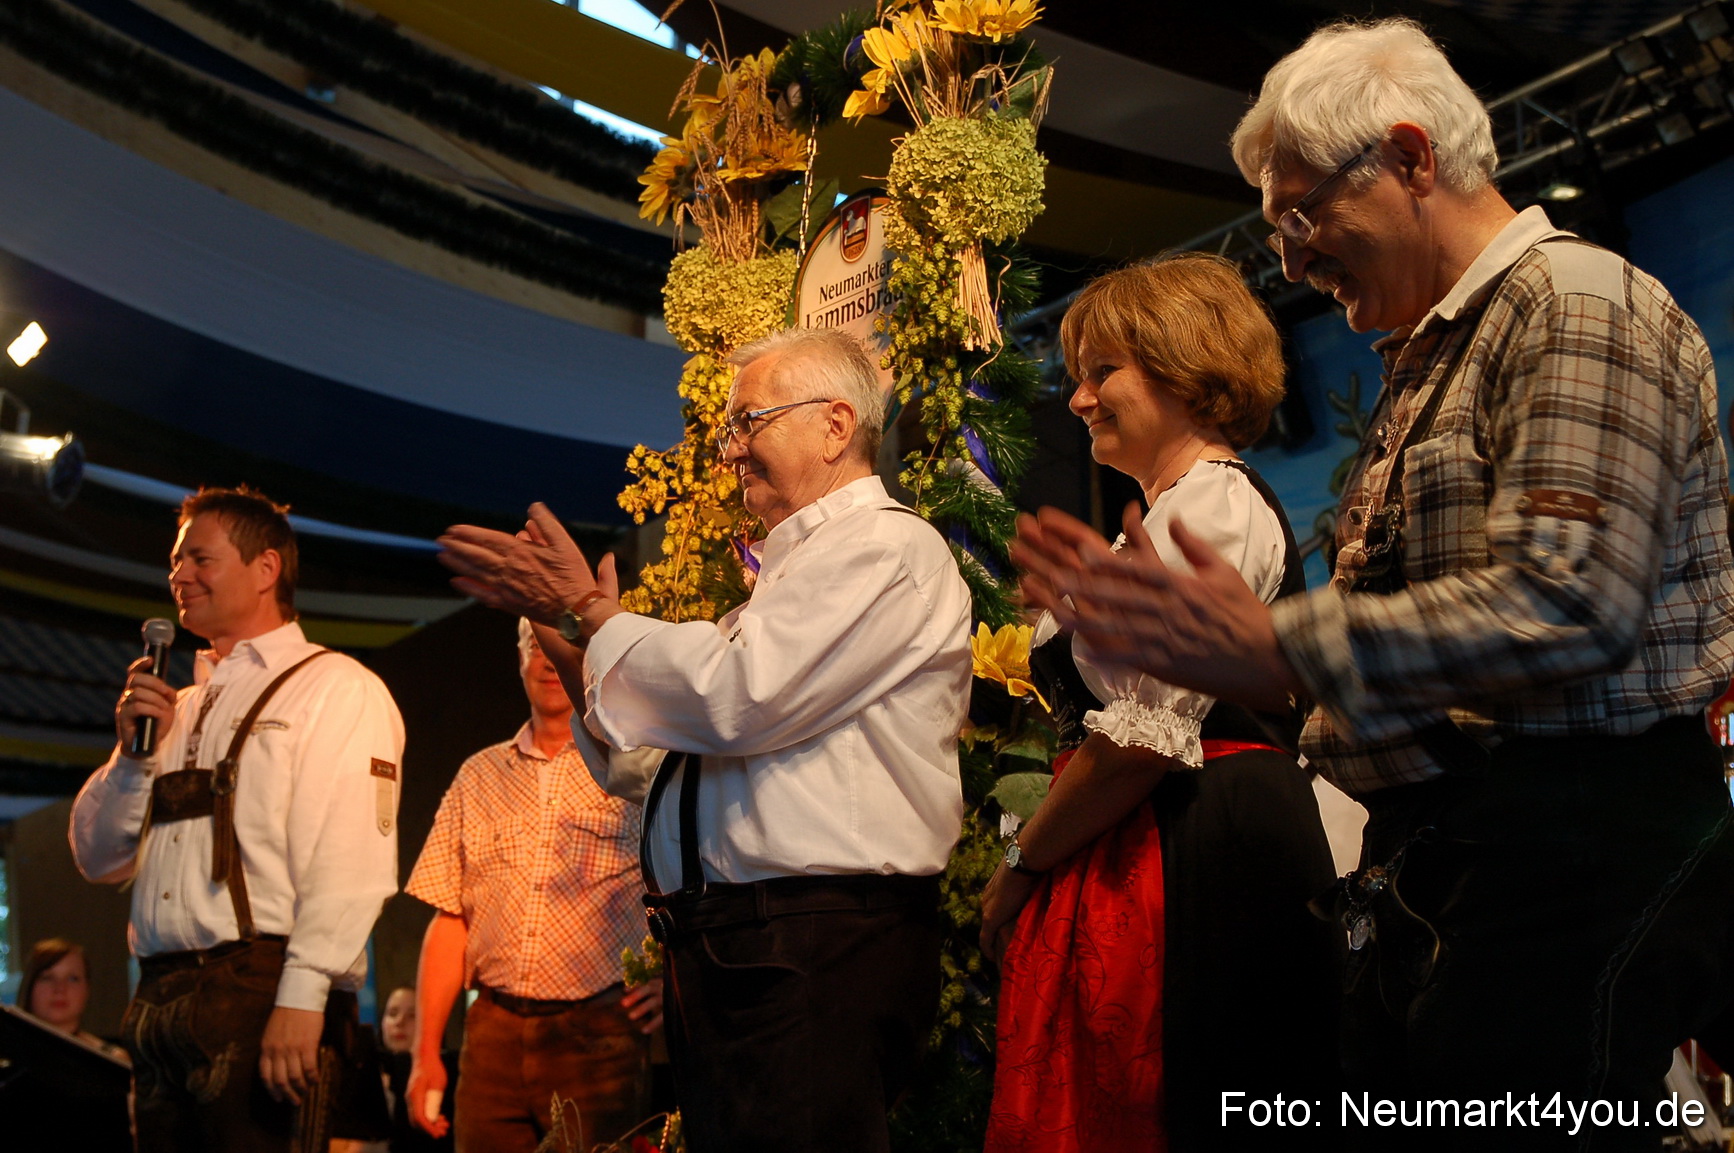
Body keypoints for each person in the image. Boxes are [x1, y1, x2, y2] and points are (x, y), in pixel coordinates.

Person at [1015, 18, 1734, 1152]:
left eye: (1301, 215)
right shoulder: (1436, 351)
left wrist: (1279, 650)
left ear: (1411, 157)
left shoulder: (1576, 302)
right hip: (1468, 864)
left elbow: (1571, 601)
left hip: (1571, 848)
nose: (1290, 260)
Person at [436, 325, 972, 1153]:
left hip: (817, 938)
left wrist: (596, 611)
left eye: (747, 421)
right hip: (742, 945)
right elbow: (652, 764)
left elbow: (737, 695)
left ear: (836, 425)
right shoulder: (786, 578)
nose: (730, 450)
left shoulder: (886, 547)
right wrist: (574, 649)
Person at [979, 254, 1338, 1153]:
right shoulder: (1170, 510)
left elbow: (1144, 737)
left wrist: (1021, 862)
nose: (1078, 398)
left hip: (1200, 849)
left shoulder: (1209, 503)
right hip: (1158, 840)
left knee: (1195, 1101)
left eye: (1103, 371)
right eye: (1077, 375)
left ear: (1184, 366)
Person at [70, 485, 404, 1153]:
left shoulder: (335, 685)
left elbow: (351, 860)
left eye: (200, 558)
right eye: (174, 562)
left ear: (266, 569)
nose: (178, 576)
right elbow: (97, 856)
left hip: (262, 992)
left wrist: (303, 997)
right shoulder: (176, 704)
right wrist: (132, 756)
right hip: (159, 1002)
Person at [402, 619, 661, 1153]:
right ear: (519, 656)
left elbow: (683, 888)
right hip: (491, 1032)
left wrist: (673, 980)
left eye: (564, 648)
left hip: (599, 1032)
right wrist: (425, 1051)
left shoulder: (634, 769)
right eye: (535, 646)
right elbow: (451, 917)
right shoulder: (479, 775)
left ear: (588, 658)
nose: (548, 661)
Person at [16, 938, 130, 1063]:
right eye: (47, 978)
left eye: (72, 979)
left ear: (87, 989)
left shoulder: (112, 1061)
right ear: (29, 985)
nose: (60, 989)